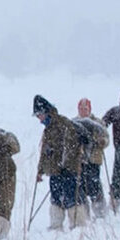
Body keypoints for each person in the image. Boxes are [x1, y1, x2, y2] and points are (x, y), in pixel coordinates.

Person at [33, 95, 86, 231]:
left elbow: (70, 146)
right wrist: (40, 170)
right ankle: (56, 225)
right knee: (56, 198)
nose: (39, 119)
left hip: (69, 169)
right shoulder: (48, 128)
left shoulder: (63, 123)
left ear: (46, 112)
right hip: (55, 170)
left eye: (39, 115)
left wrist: (64, 164)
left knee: (72, 197)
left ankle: (78, 225)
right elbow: (45, 151)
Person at [72, 98, 110, 218]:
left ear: (90, 109)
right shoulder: (74, 122)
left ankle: (100, 213)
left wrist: (100, 141)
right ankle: (84, 214)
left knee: (95, 185)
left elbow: (106, 139)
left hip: (94, 159)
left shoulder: (97, 122)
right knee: (80, 187)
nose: (83, 111)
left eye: (86, 108)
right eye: (81, 109)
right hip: (79, 161)